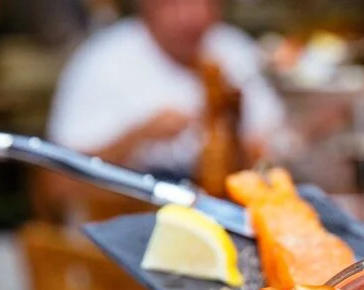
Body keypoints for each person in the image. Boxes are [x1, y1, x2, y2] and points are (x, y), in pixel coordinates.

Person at [46, 0, 286, 183]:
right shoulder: (102, 61)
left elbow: (272, 147)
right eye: (175, 4)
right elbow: (57, 179)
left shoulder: (232, 49)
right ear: (148, 7)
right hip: (127, 220)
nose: (193, 16)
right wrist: (138, 137)